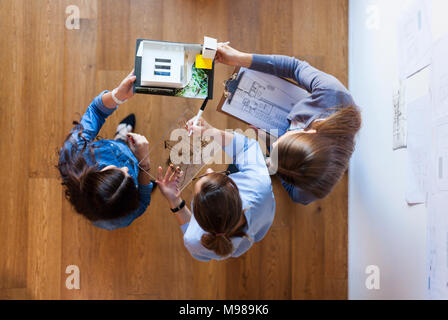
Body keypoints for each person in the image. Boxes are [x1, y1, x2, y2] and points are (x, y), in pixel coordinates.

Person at [215, 44, 362, 205]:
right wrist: (239, 58)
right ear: (310, 132)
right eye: (283, 138)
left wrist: (270, 144)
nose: (284, 134)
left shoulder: (305, 192)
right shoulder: (332, 93)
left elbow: (294, 193)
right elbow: (294, 67)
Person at [156, 119, 275, 261]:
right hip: (261, 222)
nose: (209, 169)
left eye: (204, 176)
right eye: (212, 175)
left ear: (198, 217)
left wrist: (174, 200)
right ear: (234, 190)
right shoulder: (259, 183)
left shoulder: (194, 240)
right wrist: (213, 132)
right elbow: (246, 147)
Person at [57, 70, 155, 230]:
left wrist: (117, 95)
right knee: (146, 182)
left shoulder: (72, 156)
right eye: (129, 176)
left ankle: (120, 138)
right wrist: (143, 163)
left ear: (94, 178)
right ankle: (122, 138)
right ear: (128, 204)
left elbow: (96, 110)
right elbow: (143, 202)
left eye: (117, 170)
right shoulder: (123, 218)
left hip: (111, 149)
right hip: (131, 169)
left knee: (121, 145)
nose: (126, 167)